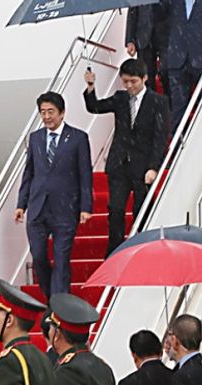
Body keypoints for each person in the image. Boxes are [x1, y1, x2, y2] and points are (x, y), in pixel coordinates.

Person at [84, 58, 170, 256]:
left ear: (145, 78)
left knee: (141, 210)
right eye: (126, 82)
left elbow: (160, 138)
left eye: (133, 81)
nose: (129, 86)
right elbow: (95, 107)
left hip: (142, 167)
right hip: (119, 164)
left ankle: (142, 250)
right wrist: (90, 87)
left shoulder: (158, 102)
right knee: (115, 210)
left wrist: (154, 167)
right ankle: (114, 252)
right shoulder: (120, 98)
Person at [15, 91, 93, 300]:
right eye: (43, 112)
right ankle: (52, 296)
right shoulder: (36, 138)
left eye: (51, 112)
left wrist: (86, 207)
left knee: (61, 257)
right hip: (38, 207)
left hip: (65, 209)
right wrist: (21, 204)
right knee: (39, 257)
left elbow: (85, 174)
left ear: (62, 113)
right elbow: (29, 173)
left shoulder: (78, 138)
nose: (46, 117)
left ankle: (59, 304)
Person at [161, 0, 202, 132]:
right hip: (176, 61)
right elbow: (158, 17)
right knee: (178, 111)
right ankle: (177, 148)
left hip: (199, 59)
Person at [125, 4, 169, 96]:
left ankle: (167, 104)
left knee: (166, 72)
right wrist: (130, 40)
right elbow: (132, 11)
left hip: (166, 35)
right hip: (143, 36)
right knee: (146, 77)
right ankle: (151, 107)